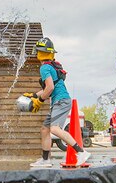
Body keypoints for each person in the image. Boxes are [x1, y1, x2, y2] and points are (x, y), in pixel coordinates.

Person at [23, 37, 90, 168]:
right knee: (45, 129)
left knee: (54, 129)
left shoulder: (44, 68)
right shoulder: (51, 66)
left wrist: (40, 100)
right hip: (59, 101)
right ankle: (46, 160)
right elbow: (49, 87)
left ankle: (81, 152)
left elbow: (50, 88)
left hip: (61, 101)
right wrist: (34, 95)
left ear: (40, 53)